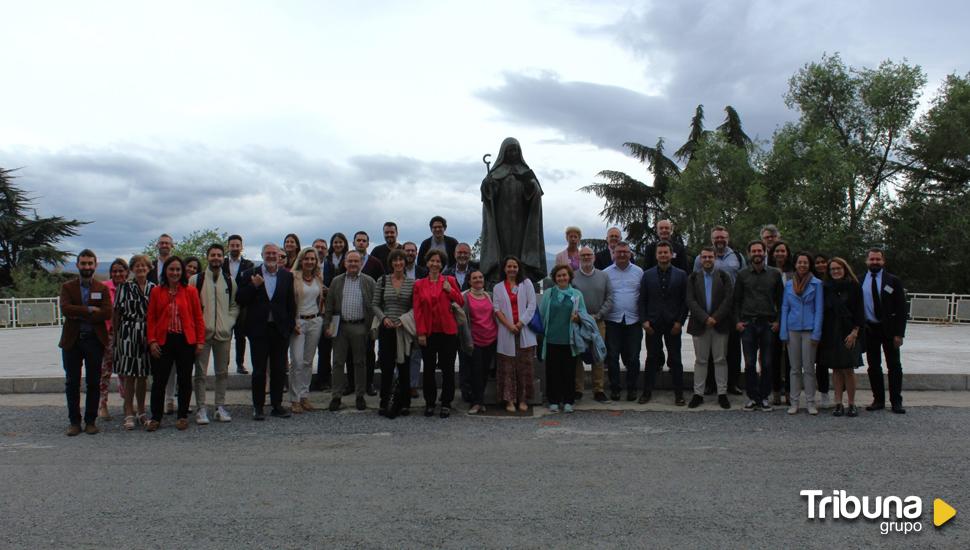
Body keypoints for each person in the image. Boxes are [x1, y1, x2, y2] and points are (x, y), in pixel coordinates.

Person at [236, 243, 297, 420]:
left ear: (279, 256)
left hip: (279, 330)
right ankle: (258, 406)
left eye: (274, 253)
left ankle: (277, 405)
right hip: (258, 330)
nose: (271, 256)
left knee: (279, 369)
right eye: (268, 253)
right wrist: (253, 286)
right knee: (259, 370)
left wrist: (290, 325)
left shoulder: (286, 276)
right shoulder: (250, 274)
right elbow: (240, 298)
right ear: (262, 255)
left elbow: (290, 303)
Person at [145, 256, 205, 432]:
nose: (175, 272)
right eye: (171, 269)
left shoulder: (190, 291)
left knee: (185, 380)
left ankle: (182, 416)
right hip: (163, 340)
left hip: (185, 341)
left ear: (182, 272)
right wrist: (152, 341)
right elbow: (151, 318)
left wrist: (200, 341)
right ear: (166, 271)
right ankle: (156, 417)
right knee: (159, 381)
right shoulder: (156, 291)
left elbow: (198, 318)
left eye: (178, 269)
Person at [59, 249, 112, 436]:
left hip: (94, 341)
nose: (87, 267)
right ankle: (74, 422)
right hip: (72, 341)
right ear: (77, 265)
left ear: (95, 265)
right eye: (84, 263)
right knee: (72, 382)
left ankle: (90, 421)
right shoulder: (67, 287)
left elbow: (107, 312)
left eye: (90, 263)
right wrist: (90, 310)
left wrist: (79, 312)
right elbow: (65, 309)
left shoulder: (102, 288)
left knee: (93, 382)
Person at [480, 138, 547, 283]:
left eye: (515, 150)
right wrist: (488, 185)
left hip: (521, 219)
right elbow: (489, 195)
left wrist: (529, 184)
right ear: (503, 153)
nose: (512, 153)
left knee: (519, 246)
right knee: (502, 246)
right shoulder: (496, 173)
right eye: (509, 151)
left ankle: (522, 273)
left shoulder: (525, 171)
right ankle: (499, 273)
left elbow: (535, 193)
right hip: (501, 218)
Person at [189, 243, 239, 424]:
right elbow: (190, 306)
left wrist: (229, 321)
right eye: (213, 255)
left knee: (222, 372)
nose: (216, 258)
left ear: (223, 257)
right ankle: (201, 408)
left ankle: (220, 406)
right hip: (202, 334)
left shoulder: (229, 280)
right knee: (200, 373)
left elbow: (234, 305)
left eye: (219, 255)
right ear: (207, 257)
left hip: (223, 333)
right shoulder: (197, 280)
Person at [693, 225, 745, 396]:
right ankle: (710, 384)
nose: (720, 240)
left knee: (733, 348)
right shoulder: (700, 258)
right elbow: (695, 283)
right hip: (708, 310)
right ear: (712, 239)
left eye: (723, 237)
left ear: (728, 238)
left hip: (731, 308)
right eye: (717, 237)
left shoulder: (737, 257)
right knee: (708, 350)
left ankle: (732, 384)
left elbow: (743, 280)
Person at [413, 249, 464, 418]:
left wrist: (450, 290)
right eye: (432, 261)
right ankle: (429, 402)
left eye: (438, 262)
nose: (435, 264)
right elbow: (417, 311)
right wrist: (420, 332)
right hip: (428, 332)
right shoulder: (419, 284)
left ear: (442, 265)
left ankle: (446, 402)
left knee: (448, 369)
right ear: (427, 263)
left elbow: (461, 301)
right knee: (428, 369)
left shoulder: (449, 280)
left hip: (447, 332)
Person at [734, 240, 784, 411]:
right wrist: (737, 322)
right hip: (748, 324)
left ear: (764, 253)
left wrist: (778, 321)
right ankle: (752, 397)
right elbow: (736, 301)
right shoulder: (742, 275)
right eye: (753, 251)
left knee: (767, 363)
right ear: (749, 254)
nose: (757, 254)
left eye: (759, 251)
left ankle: (764, 397)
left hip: (768, 324)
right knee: (749, 363)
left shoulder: (774, 274)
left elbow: (781, 301)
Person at [324, 251, 376, 412]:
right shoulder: (336, 281)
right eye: (350, 261)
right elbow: (329, 305)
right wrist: (327, 326)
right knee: (338, 362)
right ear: (345, 263)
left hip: (361, 326)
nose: (353, 264)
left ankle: (360, 395)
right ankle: (336, 396)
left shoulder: (369, 281)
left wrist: (372, 328)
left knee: (360, 362)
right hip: (340, 326)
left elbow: (374, 305)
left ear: (361, 263)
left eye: (356, 261)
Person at [638, 241, 688, 405]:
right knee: (651, 359)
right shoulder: (647, 274)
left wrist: (680, 322)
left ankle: (679, 394)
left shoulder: (681, 275)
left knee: (676, 359)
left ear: (671, 254)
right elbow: (642, 300)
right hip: (652, 323)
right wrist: (644, 321)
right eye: (660, 253)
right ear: (656, 255)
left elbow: (684, 301)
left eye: (666, 252)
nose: (663, 255)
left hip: (673, 323)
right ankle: (646, 392)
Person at [686, 246, 734, 409]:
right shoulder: (693, 278)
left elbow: (728, 299)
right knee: (701, 360)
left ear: (715, 258)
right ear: (700, 259)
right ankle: (698, 394)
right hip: (700, 325)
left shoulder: (723, 276)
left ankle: (722, 393)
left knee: (720, 360)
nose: (707, 260)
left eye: (710, 257)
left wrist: (715, 318)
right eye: (704, 257)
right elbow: (690, 301)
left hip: (720, 324)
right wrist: (705, 318)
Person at [862, 248, 907, 414]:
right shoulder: (860, 281)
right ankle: (878, 400)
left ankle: (896, 401)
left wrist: (899, 333)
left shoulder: (893, 281)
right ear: (866, 261)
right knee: (873, 366)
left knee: (894, 366)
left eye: (877, 259)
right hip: (870, 329)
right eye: (872, 259)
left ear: (883, 261)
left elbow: (902, 309)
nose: (875, 262)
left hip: (890, 330)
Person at [112, 254, 154, 430]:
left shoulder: (154, 288)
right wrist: (115, 336)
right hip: (128, 332)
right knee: (129, 375)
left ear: (149, 268)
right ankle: (129, 411)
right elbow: (116, 312)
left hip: (146, 332)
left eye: (144, 265)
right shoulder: (124, 287)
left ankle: (142, 411)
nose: (141, 268)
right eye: (137, 266)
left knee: (143, 375)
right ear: (132, 269)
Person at [371, 249, 415, 417]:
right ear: (391, 263)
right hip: (387, 329)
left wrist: (404, 319)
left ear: (405, 263)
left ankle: (405, 402)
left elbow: (414, 306)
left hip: (403, 329)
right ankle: (384, 401)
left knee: (404, 367)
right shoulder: (382, 281)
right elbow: (375, 304)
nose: (398, 263)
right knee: (387, 367)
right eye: (395, 260)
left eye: (401, 260)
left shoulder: (412, 283)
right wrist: (383, 319)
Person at [780, 252, 825, 415]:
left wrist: (817, 333)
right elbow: (785, 307)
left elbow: (819, 309)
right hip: (792, 329)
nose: (802, 265)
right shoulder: (789, 284)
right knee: (794, 368)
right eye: (800, 262)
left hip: (809, 329)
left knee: (809, 368)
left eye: (805, 262)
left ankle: (811, 402)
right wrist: (783, 333)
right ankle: (794, 402)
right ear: (795, 264)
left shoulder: (817, 284)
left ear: (809, 265)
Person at [820, 257, 865, 418]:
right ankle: (838, 403)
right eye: (832, 269)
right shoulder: (826, 287)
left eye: (838, 268)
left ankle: (852, 403)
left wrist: (855, 332)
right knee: (836, 369)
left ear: (844, 269)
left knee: (848, 369)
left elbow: (860, 312)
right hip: (831, 331)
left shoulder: (854, 287)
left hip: (849, 331)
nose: (835, 271)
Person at [492, 255, 537, 413]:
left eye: (515, 266)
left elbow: (532, 305)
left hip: (524, 331)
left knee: (525, 368)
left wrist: (520, 323)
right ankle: (510, 400)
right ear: (504, 269)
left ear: (519, 268)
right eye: (509, 266)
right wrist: (510, 325)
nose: (512, 269)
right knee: (507, 367)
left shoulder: (526, 283)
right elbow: (496, 310)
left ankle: (523, 399)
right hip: (506, 331)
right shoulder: (498, 287)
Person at [540, 265, 586, 413]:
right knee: (552, 371)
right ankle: (553, 400)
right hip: (551, 339)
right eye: (559, 276)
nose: (562, 278)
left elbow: (584, 315)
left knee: (569, 372)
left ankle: (568, 401)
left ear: (569, 277)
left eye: (564, 275)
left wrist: (578, 317)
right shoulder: (549, 293)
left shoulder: (577, 294)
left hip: (569, 340)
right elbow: (541, 315)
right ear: (554, 278)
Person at [571, 246, 613, 403]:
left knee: (598, 355)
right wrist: (579, 317)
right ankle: (578, 389)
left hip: (598, 321)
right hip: (578, 323)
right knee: (578, 356)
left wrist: (599, 315)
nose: (587, 257)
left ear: (594, 257)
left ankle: (598, 389)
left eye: (589, 255)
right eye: (583, 255)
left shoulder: (604, 276)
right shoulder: (573, 277)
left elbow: (610, 298)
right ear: (579, 258)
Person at [603, 241, 644, 402]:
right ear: (613, 253)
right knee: (612, 357)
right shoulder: (606, 273)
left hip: (634, 320)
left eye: (625, 252)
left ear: (630, 254)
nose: (622, 254)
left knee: (633, 357)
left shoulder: (639, 272)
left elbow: (643, 295)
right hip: (612, 320)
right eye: (619, 252)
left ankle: (632, 388)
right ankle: (615, 389)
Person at [288, 247, 325, 414]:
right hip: (299, 321)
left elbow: (321, 298)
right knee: (296, 361)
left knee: (308, 361)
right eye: (306, 258)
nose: (310, 262)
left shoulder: (318, 277)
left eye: (313, 259)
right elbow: (287, 301)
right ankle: (294, 399)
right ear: (301, 260)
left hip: (315, 321)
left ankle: (304, 396)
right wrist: (292, 321)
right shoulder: (292, 277)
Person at [443, 241, 477, 401]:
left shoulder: (476, 271)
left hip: (468, 324)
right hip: (449, 321)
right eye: (459, 252)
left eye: (465, 252)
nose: (462, 255)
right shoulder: (446, 272)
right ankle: (446, 393)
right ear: (454, 254)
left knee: (466, 359)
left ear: (469, 254)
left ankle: (467, 390)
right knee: (447, 360)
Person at [98, 258, 129, 420]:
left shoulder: (130, 288)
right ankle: (103, 404)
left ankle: (127, 402)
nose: (118, 274)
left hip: (126, 335)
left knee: (125, 371)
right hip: (107, 334)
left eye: (121, 270)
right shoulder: (103, 288)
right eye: (115, 271)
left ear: (126, 272)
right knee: (105, 371)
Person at [463, 270, 497, 415]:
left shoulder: (489, 296)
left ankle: (480, 401)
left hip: (491, 338)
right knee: (475, 372)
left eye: (480, 277)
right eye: (474, 278)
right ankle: (476, 403)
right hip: (474, 340)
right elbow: (462, 320)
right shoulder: (464, 297)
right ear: (470, 281)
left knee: (484, 372)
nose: (478, 280)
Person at [768, 240, 794, 405]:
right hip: (773, 319)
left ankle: (790, 392)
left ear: (787, 253)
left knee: (790, 359)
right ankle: (776, 390)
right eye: (777, 251)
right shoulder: (768, 271)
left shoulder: (795, 272)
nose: (780, 254)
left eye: (783, 251)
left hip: (792, 318)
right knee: (774, 357)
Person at [224, 234, 254, 374]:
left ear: (241, 247)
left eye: (237, 245)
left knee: (240, 336)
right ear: (228, 246)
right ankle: (224, 363)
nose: (235, 248)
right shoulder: (222, 263)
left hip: (242, 305)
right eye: (232, 245)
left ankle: (240, 364)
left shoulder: (249, 265)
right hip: (224, 305)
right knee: (225, 335)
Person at [311, 238, 332, 392]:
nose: (320, 250)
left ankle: (323, 380)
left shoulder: (332, 267)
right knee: (307, 350)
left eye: (323, 247)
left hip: (326, 313)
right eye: (317, 247)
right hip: (309, 312)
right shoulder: (306, 266)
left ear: (326, 250)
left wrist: (328, 290)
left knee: (325, 349)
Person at [812, 253, 831, 407]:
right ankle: (824, 393)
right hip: (817, 325)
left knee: (840, 362)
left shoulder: (835, 280)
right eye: (817, 262)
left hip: (834, 325)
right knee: (821, 362)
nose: (820, 265)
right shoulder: (812, 282)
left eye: (823, 262)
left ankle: (840, 392)